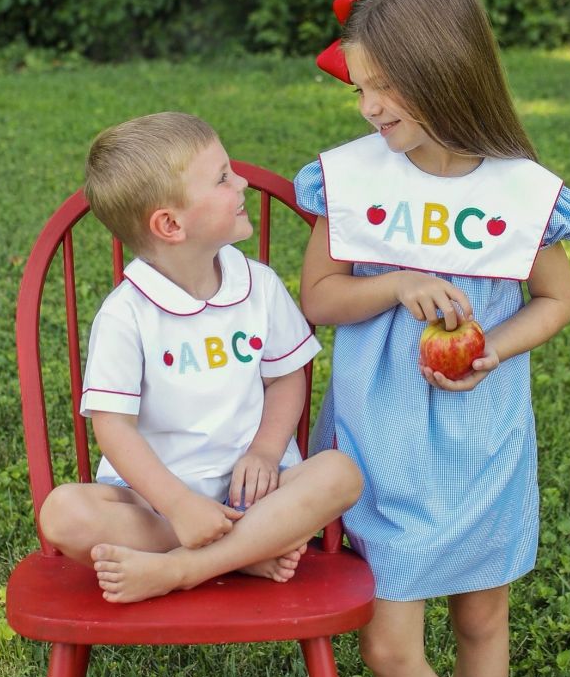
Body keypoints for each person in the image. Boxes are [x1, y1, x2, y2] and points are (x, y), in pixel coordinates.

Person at [296, 0, 570, 677]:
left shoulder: (519, 190)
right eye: (360, 84)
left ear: (447, 73)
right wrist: (394, 283)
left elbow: (556, 300)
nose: (370, 104)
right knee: (389, 641)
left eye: (387, 85)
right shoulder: (352, 177)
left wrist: (490, 350)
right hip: (380, 443)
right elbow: (319, 297)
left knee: (482, 613)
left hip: (481, 433)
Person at [39, 112, 363, 604]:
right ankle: (246, 550)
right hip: (156, 505)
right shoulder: (127, 314)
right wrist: (179, 505)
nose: (244, 182)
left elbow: (287, 377)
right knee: (63, 512)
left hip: (256, 493)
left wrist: (265, 451)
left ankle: (188, 567)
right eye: (222, 179)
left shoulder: (259, 285)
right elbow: (113, 427)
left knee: (340, 473)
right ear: (170, 225)